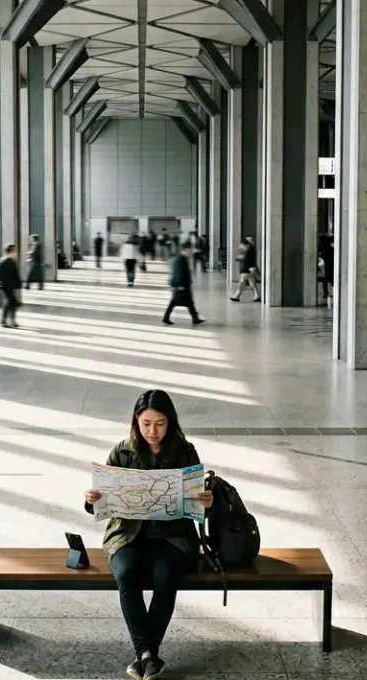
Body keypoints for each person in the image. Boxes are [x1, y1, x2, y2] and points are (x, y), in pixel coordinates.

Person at [84, 390, 214, 680]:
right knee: (126, 573)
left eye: (160, 424)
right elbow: (102, 503)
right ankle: (149, 655)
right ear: (136, 421)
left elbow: (196, 502)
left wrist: (205, 500)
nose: (152, 431)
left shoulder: (184, 451)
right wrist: (92, 500)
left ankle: (143, 655)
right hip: (127, 534)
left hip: (173, 536)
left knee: (166, 575)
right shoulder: (121, 452)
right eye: (146, 424)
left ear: (170, 422)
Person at [164, 244, 205, 326]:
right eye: (189, 250)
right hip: (181, 286)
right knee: (174, 302)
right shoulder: (180, 260)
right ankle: (166, 318)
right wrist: (179, 285)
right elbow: (178, 273)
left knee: (189, 303)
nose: (190, 252)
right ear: (185, 250)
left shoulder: (182, 259)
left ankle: (195, 319)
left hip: (184, 285)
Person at [0, 243, 23, 328]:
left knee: (10, 302)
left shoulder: (9, 261)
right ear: (11, 251)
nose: (15, 252)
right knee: (11, 302)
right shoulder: (5, 261)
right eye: (14, 250)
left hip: (8, 285)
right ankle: (8, 320)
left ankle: (7, 320)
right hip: (5, 285)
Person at [230, 237, 262, 302]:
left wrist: (241, 258)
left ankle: (236, 296)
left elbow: (248, 260)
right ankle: (257, 296)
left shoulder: (250, 249)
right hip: (249, 268)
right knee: (253, 283)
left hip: (247, 269)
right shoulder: (250, 249)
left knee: (241, 283)